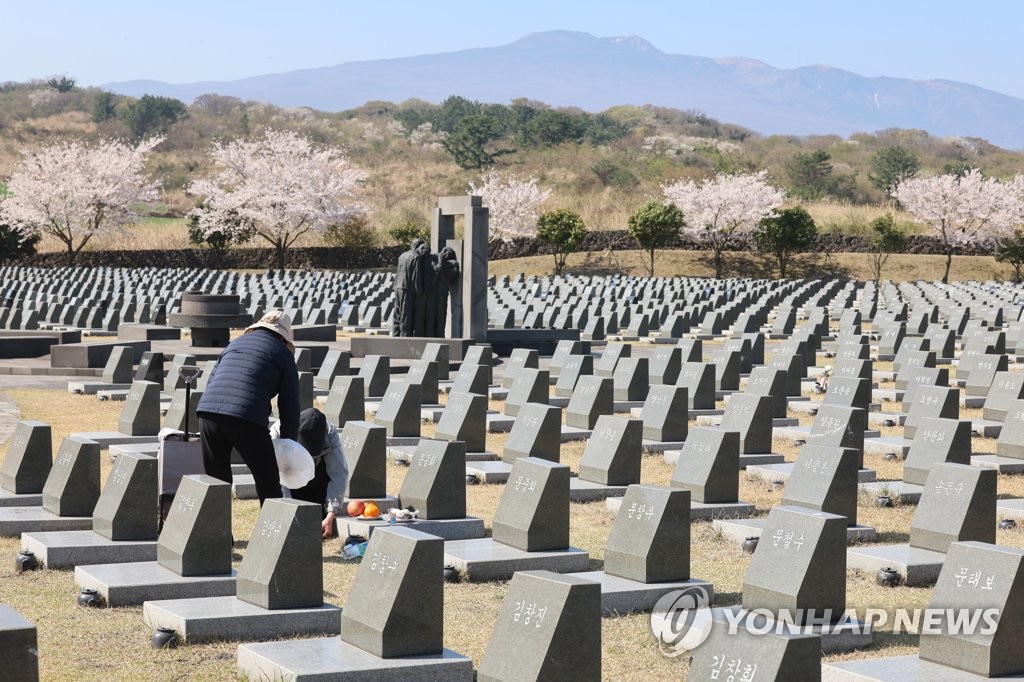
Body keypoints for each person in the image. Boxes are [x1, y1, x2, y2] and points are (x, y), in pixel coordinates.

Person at [197, 310, 300, 506]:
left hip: (208, 413)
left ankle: (216, 535)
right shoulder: (283, 355)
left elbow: (211, 381)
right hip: (245, 415)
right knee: (268, 481)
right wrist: (288, 445)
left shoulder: (234, 344)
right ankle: (274, 535)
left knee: (216, 483)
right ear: (283, 337)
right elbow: (290, 405)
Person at [271, 407, 349, 540]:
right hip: (288, 474)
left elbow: (338, 472)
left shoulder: (330, 432)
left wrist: (331, 513)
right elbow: (277, 478)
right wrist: (288, 512)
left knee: (315, 519)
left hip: (316, 480)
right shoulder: (278, 434)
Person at [392, 238, 425, 337]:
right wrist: (419, 292)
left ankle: (396, 334)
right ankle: (404, 337)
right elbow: (416, 277)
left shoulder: (402, 256)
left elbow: (398, 272)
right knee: (405, 314)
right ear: (419, 246)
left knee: (398, 312)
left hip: (397, 287)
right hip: (406, 288)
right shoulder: (416, 257)